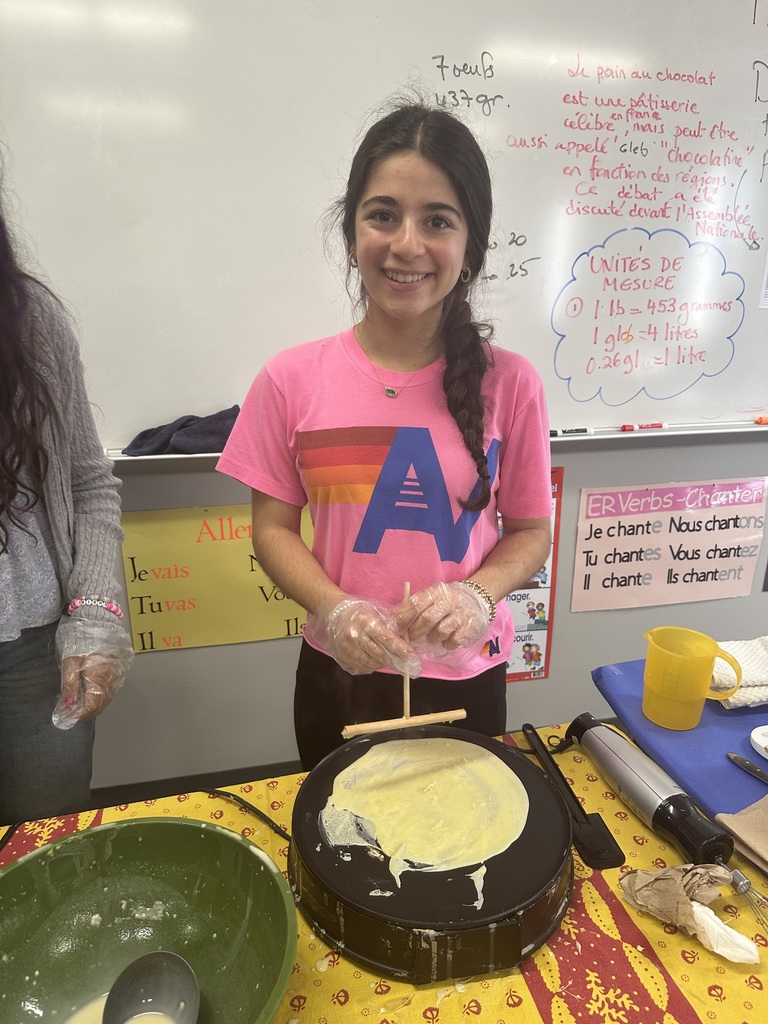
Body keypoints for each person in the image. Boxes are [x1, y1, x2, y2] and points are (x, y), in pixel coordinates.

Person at [218, 98, 552, 770]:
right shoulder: (289, 380)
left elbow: (531, 533)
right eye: (382, 215)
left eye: (437, 221)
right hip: (340, 674)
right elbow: (273, 530)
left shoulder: (512, 384)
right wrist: (336, 610)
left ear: (470, 246)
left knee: (462, 848)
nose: (406, 244)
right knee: (344, 852)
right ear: (351, 234)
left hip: (466, 678)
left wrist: (477, 594)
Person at [0, 177, 132, 823]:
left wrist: (97, 615)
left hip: (36, 653)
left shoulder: (31, 322)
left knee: (46, 848)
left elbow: (88, 483)